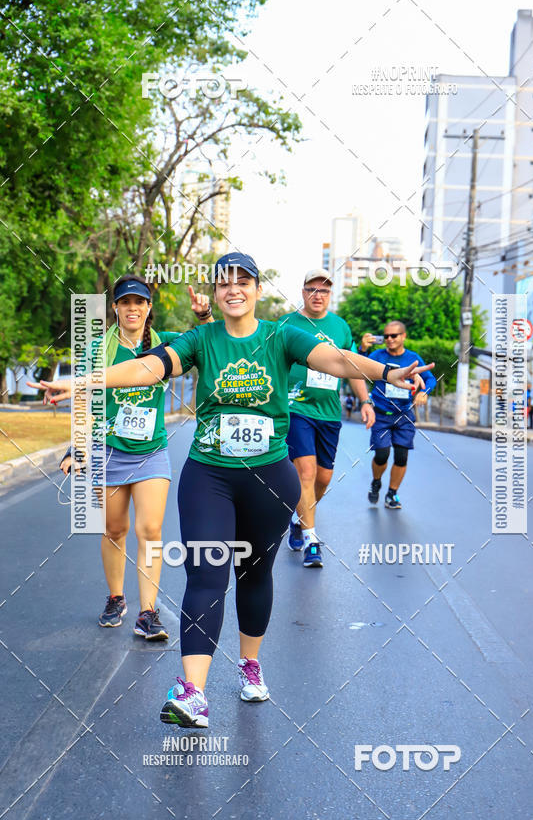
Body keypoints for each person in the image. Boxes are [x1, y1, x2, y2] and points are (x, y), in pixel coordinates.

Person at [33, 253, 433, 728]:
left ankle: (250, 663)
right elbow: (147, 368)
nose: (234, 289)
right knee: (206, 573)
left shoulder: (281, 335)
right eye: (224, 283)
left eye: (243, 281)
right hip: (210, 474)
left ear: (257, 290)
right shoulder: (201, 338)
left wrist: (388, 373)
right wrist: (83, 381)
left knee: (253, 573)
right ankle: (193, 693)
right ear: (217, 294)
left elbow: (334, 359)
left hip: (269, 476)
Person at [32, 275, 212, 641]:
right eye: (125, 302)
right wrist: (76, 448)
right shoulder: (99, 349)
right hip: (107, 450)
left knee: (151, 530)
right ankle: (116, 598)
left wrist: (205, 315)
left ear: (149, 308)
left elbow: (210, 344)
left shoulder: (167, 347)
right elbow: (82, 399)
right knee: (115, 528)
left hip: (152, 451)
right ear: (114, 308)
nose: (132, 308)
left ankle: (148, 612)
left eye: (139, 302)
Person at [280, 269, 375, 567]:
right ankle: (311, 540)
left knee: (323, 478)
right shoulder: (287, 323)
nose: (317, 295)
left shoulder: (340, 327)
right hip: (295, 408)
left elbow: (351, 366)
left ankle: (299, 518)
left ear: (330, 295)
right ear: (303, 291)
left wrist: (365, 401)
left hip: (329, 413)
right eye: (311, 289)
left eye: (323, 291)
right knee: (305, 473)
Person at [359, 322, 436, 509]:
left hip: (404, 414)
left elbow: (430, 378)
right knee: (382, 455)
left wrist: (424, 392)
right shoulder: (377, 356)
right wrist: (362, 349)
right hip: (381, 414)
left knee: (401, 456)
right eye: (386, 336)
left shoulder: (413, 358)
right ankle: (376, 482)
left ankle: (392, 494)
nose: (390, 339)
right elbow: (357, 368)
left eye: (394, 335)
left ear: (403, 336)